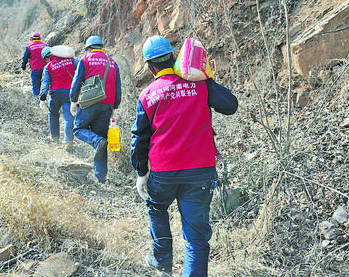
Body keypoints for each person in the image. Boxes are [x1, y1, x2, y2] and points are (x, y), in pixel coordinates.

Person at [130, 35, 238, 277]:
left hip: (163, 173)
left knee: (157, 209)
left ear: (150, 68)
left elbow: (139, 138)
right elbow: (230, 105)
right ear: (173, 57)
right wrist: (205, 77)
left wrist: (140, 172)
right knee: (196, 239)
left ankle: (162, 261)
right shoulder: (201, 85)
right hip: (200, 173)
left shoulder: (147, 95)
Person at [69, 35, 121, 183]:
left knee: (78, 129)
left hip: (89, 102)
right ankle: (101, 177)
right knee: (102, 138)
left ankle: (96, 141)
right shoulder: (113, 63)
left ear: (89, 49)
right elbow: (118, 87)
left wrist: (73, 99)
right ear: (101, 48)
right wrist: (115, 106)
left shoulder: (86, 59)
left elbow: (77, 80)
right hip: (107, 105)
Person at [39, 47, 78, 151]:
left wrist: (42, 98)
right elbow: (81, 70)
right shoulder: (71, 60)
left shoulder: (48, 66)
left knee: (53, 114)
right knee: (69, 117)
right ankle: (68, 142)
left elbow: (45, 83)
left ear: (47, 58)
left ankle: (55, 137)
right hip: (69, 93)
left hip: (55, 93)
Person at [21, 32, 48, 100]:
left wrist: (23, 68)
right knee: (46, 85)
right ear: (40, 39)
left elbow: (25, 58)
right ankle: (47, 101)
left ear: (31, 39)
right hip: (47, 69)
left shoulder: (29, 47)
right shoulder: (46, 46)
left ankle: (37, 102)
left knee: (36, 87)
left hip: (35, 70)